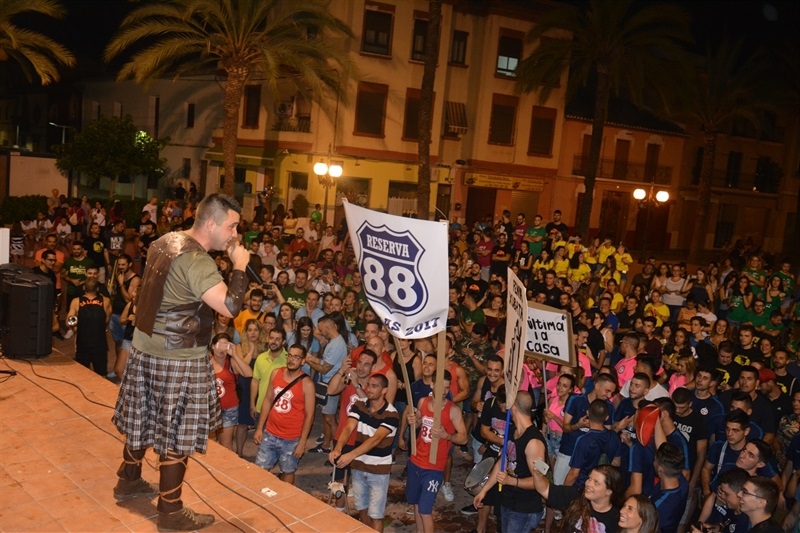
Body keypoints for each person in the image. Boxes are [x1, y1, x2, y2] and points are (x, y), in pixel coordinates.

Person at [112, 193, 250, 531]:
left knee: (143, 415)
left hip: (145, 346)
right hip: (178, 356)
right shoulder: (198, 261)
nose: (235, 234)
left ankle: (129, 479)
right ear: (211, 223)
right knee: (177, 433)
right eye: (232, 227)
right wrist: (240, 266)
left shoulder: (164, 241)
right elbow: (229, 307)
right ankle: (170, 510)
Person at [329, 374, 399, 532]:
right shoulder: (360, 404)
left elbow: (375, 439)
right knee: (361, 508)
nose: (369, 389)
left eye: (375, 386)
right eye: (369, 385)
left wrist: (350, 455)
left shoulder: (392, 414)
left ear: (384, 390)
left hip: (378, 470)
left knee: (376, 515)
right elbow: (349, 426)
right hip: (359, 466)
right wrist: (338, 448)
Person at [473, 391, 547, 532]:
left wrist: (511, 481)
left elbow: (540, 481)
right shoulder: (511, 430)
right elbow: (502, 461)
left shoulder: (534, 442)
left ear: (513, 407)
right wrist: (484, 490)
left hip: (524, 508)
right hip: (507, 501)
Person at [405, 370, 468, 533]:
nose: (444, 391)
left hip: (434, 468)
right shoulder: (422, 402)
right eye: (441, 387)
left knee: (425, 511)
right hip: (416, 461)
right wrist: (413, 420)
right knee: (416, 504)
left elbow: (463, 438)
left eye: (447, 388)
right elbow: (418, 421)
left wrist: (447, 435)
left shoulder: (453, 410)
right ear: (432, 385)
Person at [254, 343, 315, 485]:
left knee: (288, 471)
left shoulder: (307, 384)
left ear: (303, 361)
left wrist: (302, 442)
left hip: (291, 438)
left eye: (296, 357)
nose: (291, 360)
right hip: (270, 433)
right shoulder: (276, 373)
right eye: (290, 356)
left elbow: (309, 416)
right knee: (260, 469)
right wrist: (260, 428)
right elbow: (268, 400)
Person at [532, 463, 624, 533]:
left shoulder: (617, 518)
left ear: (609, 491)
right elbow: (545, 489)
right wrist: (537, 474)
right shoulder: (576, 496)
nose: (588, 484)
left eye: (596, 483)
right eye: (589, 479)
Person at [209, 333, 253, 451]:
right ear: (213, 346)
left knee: (226, 444)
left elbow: (248, 373)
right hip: (210, 408)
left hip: (228, 409)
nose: (222, 349)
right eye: (220, 345)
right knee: (210, 443)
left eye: (226, 345)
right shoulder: (206, 362)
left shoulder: (231, 362)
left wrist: (234, 355)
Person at [65, 275, 111, 377]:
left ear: (83, 288)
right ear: (98, 289)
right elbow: (106, 320)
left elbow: (69, 322)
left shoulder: (76, 301)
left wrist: (75, 327)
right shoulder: (106, 301)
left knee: (82, 375)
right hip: (99, 344)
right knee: (101, 375)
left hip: (83, 344)